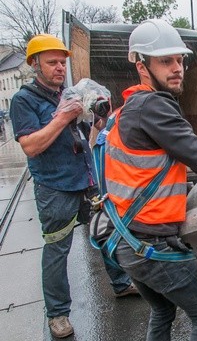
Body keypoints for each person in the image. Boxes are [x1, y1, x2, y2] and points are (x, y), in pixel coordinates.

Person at [107, 19, 197, 340]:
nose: (177, 68)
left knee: (163, 310)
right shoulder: (153, 106)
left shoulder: (127, 109)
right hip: (151, 245)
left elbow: (152, 171)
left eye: (179, 60)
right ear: (142, 66)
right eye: (165, 61)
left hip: (127, 241)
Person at [8, 34, 138, 339]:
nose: (59, 67)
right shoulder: (24, 100)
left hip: (87, 182)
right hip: (55, 188)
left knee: (106, 234)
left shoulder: (69, 94)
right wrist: (62, 117)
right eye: (52, 62)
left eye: (62, 62)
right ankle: (58, 314)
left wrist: (97, 121)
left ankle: (120, 284)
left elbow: (85, 138)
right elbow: (30, 146)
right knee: (57, 249)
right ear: (34, 64)